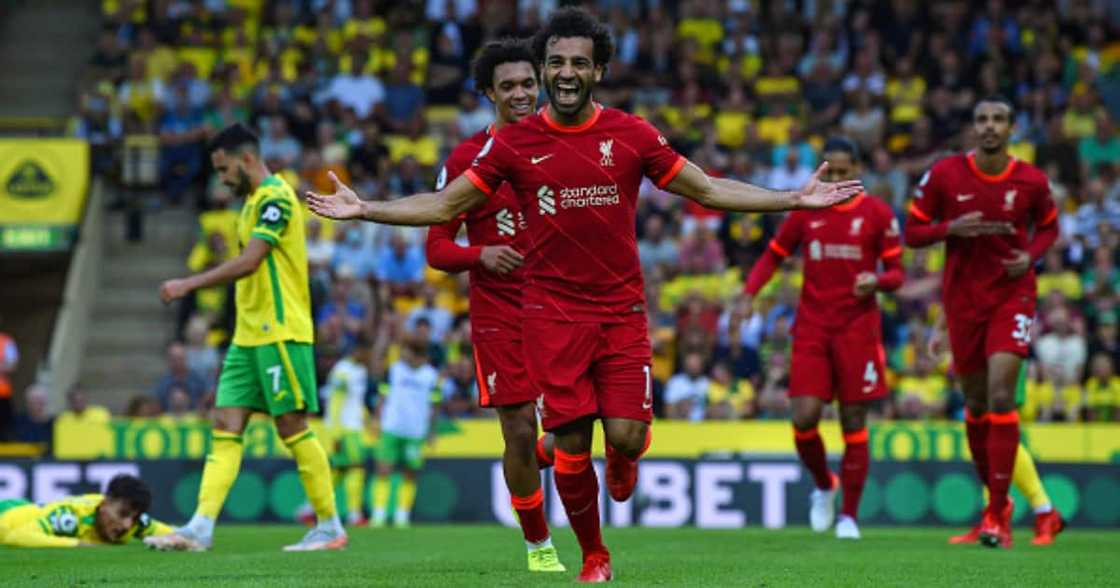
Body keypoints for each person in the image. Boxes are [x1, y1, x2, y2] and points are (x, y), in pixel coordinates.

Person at [307, 8, 860, 581]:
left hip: (621, 312)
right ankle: (594, 555)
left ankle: (622, 456)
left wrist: (790, 199)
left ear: (598, 71)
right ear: (545, 69)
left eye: (578, 63)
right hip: (551, 314)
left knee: (627, 435)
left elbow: (708, 189)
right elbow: (445, 207)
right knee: (569, 443)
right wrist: (365, 208)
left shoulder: (632, 134)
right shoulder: (513, 144)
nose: (565, 73)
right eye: (555, 63)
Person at [148, 123, 345, 552]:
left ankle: (330, 525)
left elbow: (251, 261)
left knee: (291, 425)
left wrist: (188, 284)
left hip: (280, 331)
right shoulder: (252, 202)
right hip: (247, 336)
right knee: (224, 423)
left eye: (224, 169)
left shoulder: (276, 198)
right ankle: (200, 527)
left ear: (247, 159)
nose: (221, 179)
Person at [422, 38, 564, 573]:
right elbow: (437, 248)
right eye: (509, 86)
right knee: (520, 430)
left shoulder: (565, 144)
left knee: (578, 425)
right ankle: (538, 546)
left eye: (529, 83)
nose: (521, 94)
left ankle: (544, 456)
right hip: (500, 314)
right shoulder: (466, 159)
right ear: (489, 93)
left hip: (564, 305)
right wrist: (480, 254)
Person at [904, 96, 1060, 549]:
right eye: (982, 119)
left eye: (998, 119)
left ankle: (997, 514)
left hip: (1013, 295)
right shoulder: (945, 174)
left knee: (1000, 397)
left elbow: (1049, 228)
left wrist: (1030, 256)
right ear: (973, 128)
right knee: (975, 407)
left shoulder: (1031, 180)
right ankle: (1003, 509)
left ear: (1012, 129)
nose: (990, 126)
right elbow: (913, 232)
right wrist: (949, 229)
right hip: (964, 302)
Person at [742, 137, 903, 540]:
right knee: (804, 418)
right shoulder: (807, 209)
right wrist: (749, 293)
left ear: (858, 169)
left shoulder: (878, 213)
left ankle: (848, 516)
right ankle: (824, 484)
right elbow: (774, 255)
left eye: (845, 171)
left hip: (857, 330)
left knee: (854, 421)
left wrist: (877, 281)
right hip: (813, 327)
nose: (837, 179)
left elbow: (897, 274)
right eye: (832, 172)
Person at [928, 314, 1065, 545]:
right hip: (977, 339)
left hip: (1004, 339)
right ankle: (1002, 516)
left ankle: (1038, 512)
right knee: (988, 430)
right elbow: (957, 293)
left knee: (998, 426)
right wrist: (944, 328)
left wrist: (942, 328)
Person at [370, 333, 440, 529]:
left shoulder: (431, 376)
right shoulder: (394, 370)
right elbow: (382, 397)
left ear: (418, 355)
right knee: (383, 470)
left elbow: (435, 406)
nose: (402, 354)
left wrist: (432, 431)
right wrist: (376, 420)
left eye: (406, 351)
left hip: (415, 432)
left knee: (410, 473)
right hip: (391, 428)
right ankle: (378, 515)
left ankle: (402, 516)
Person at [0, 475, 173, 548]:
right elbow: (15, 536)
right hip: (8, 516)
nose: (127, 525)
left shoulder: (135, 523)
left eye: (134, 518)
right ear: (105, 504)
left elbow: (173, 533)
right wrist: (77, 545)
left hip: (30, 507)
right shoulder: (73, 517)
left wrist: (180, 540)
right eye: (122, 514)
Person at [320, 333, 374, 526]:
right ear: (358, 351)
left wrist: (367, 420)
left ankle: (310, 509)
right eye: (368, 352)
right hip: (344, 428)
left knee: (340, 470)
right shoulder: (342, 371)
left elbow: (356, 401)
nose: (370, 356)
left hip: (354, 426)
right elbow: (335, 402)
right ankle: (354, 514)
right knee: (356, 467)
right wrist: (336, 433)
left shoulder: (360, 370)